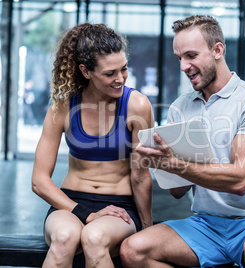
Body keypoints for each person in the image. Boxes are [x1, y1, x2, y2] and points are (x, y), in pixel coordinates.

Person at [120, 15, 245, 268]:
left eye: (191, 56)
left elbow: (240, 180)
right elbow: (176, 191)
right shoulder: (180, 107)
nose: (183, 66)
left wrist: (177, 164)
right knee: (133, 250)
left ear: (217, 50)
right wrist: (163, 162)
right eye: (179, 58)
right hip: (206, 223)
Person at [31, 23, 154, 267]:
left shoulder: (136, 105)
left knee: (95, 237)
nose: (120, 79)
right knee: (65, 238)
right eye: (110, 73)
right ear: (86, 71)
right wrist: (85, 213)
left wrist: (147, 227)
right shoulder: (63, 107)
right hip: (70, 203)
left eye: (124, 69)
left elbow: (140, 176)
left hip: (120, 207)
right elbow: (39, 181)